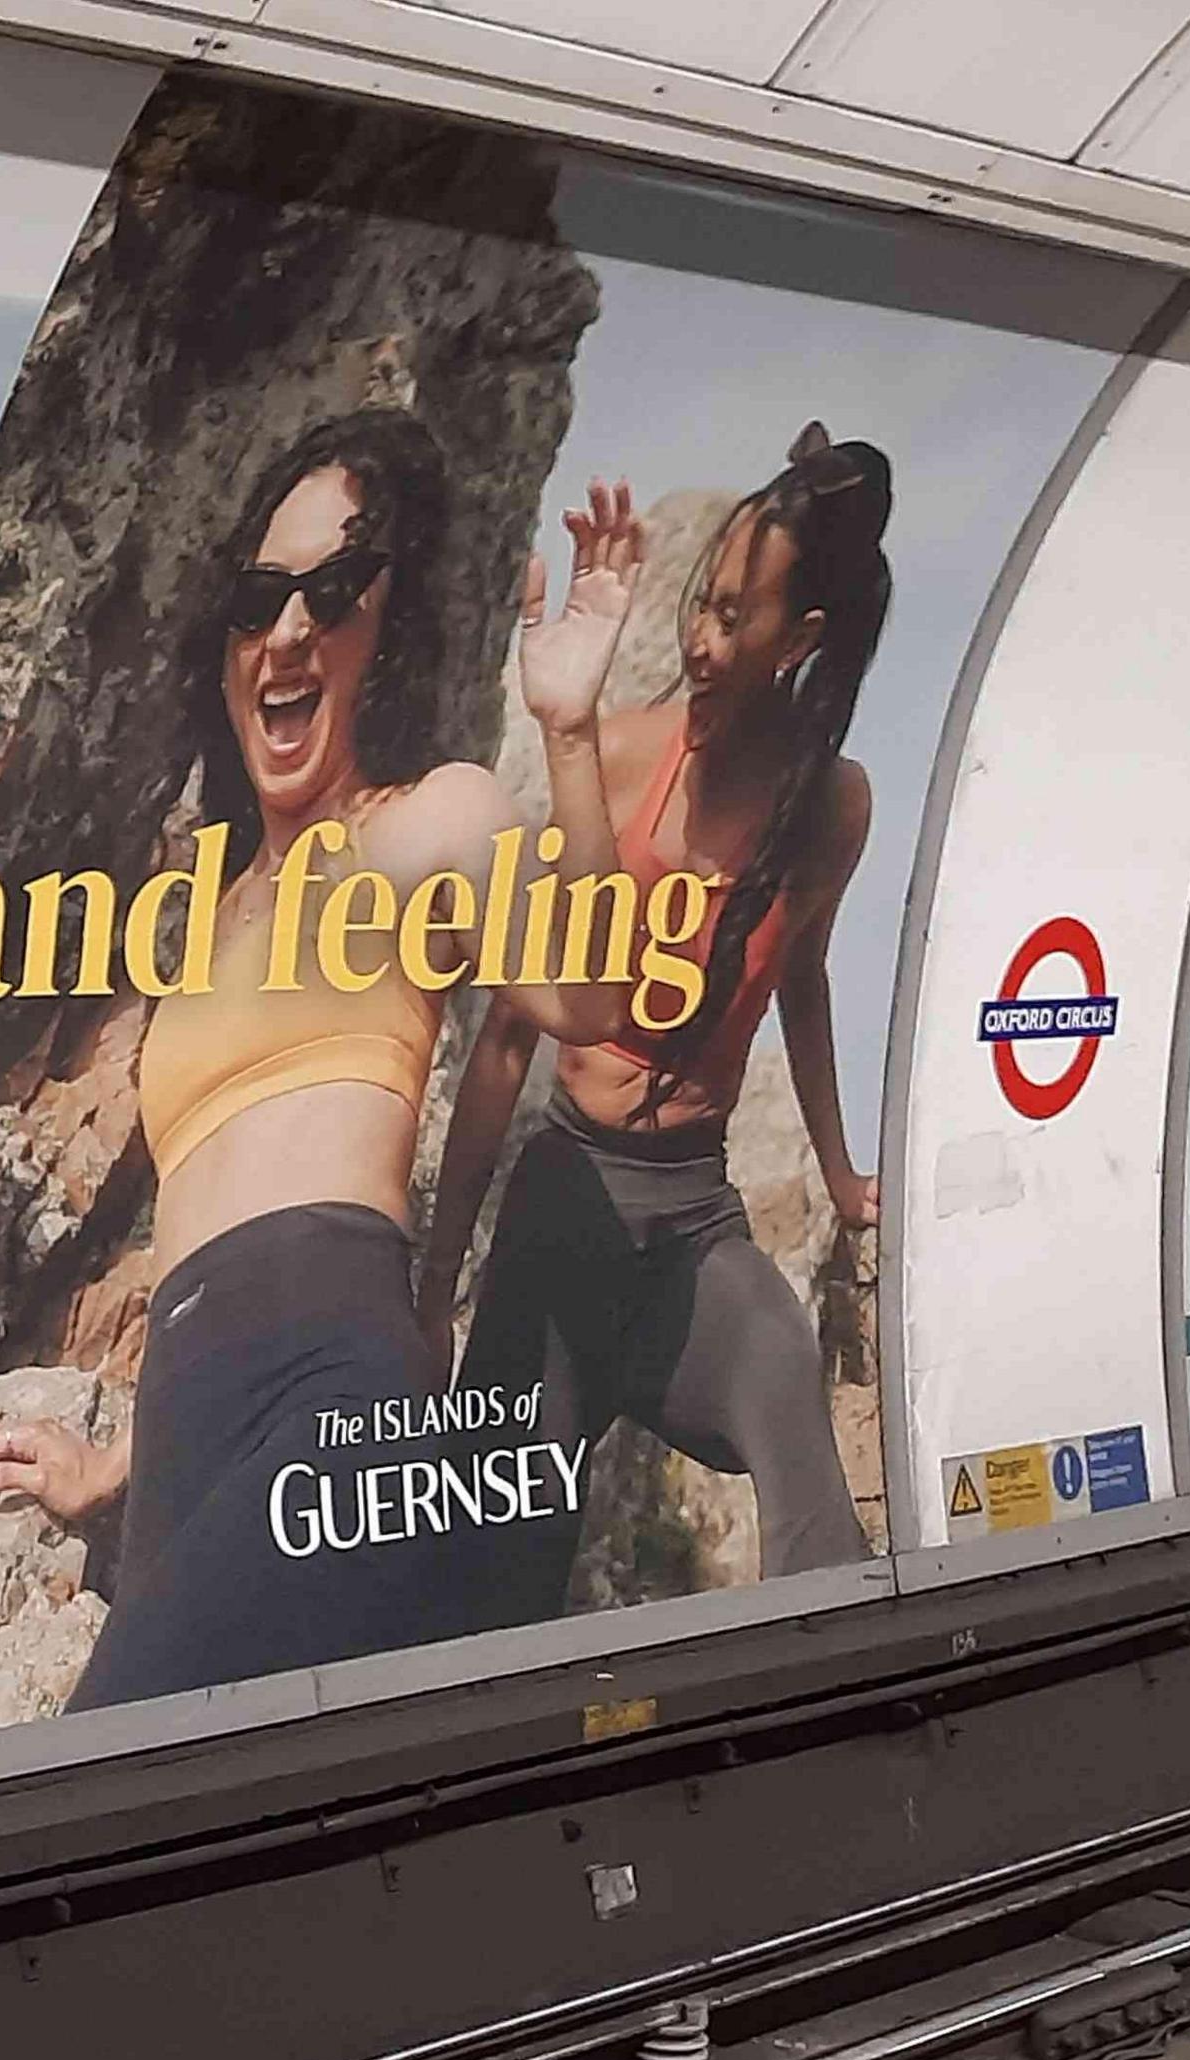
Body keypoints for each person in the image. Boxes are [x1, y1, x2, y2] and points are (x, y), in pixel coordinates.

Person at [0, 407, 651, 1709]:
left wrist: (567, 728)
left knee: (104, 1792)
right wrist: (115, 1473)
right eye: (259, 596)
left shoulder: (426, 823)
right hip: (189, 1437)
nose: (286, 631)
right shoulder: (201, 912)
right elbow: (195, 1221)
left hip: (336, 1391)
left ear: (386, 632)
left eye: (332, 592)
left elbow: (595, 994)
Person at [416, 425, 892, 1590]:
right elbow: (510, 1033)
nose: (701, 638)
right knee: (495, 1568)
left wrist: (839, 1175)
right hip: (565, 1212)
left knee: (793, 1413)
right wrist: (438, 1280)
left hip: (696, 1222)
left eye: (736, 616)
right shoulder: (621, 763)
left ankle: (832, 1731)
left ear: (805, 639)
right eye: (701, 604)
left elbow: (805, 979)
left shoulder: (830, 808)